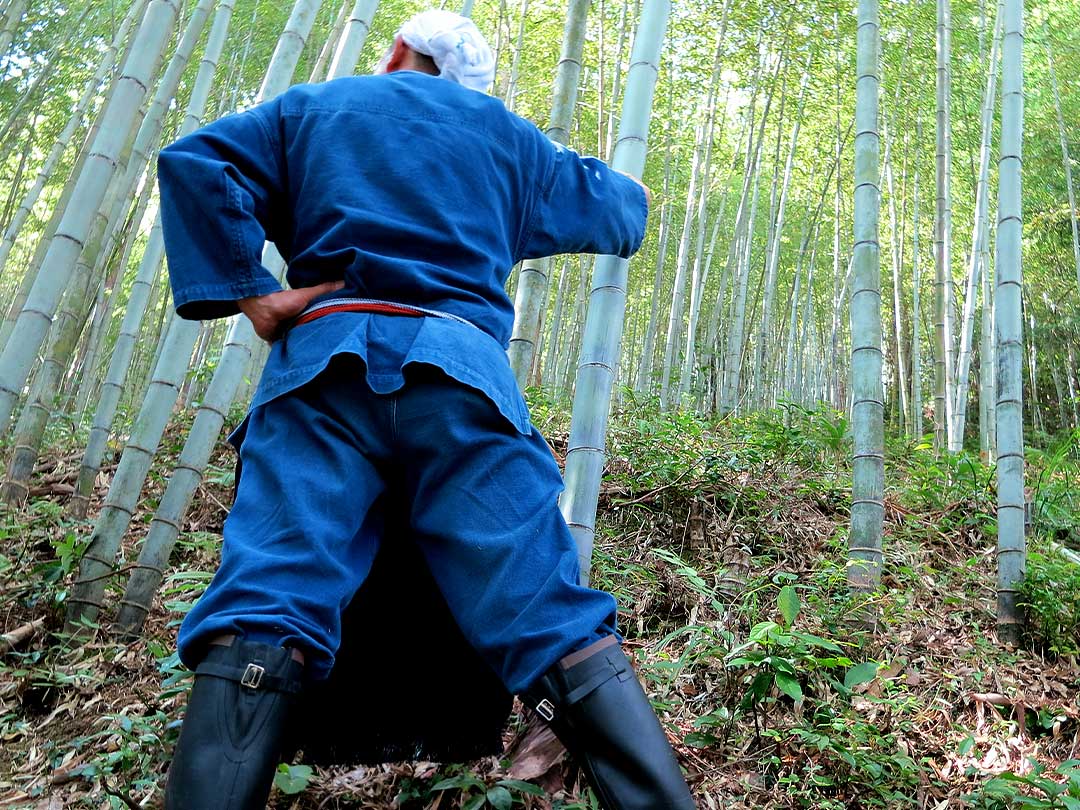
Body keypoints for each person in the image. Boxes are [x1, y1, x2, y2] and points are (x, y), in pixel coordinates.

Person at [158, 10, 695, 810]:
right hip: (460, 376)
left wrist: (256, 293)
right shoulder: (508, 137)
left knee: (270, 597)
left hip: (322, 374)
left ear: (401, 49)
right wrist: (628, 187)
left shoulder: (313, 107)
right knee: (546, 611)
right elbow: (621, 212)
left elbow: (196, 162)